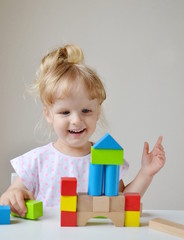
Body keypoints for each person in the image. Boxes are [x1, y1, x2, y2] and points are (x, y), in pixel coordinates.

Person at [0, 44, 166, 217]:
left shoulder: (105, 158)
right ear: (48, 115)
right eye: (65, 112)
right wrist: (12, 196)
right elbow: (11, 194)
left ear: (97, 113)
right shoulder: (37, 161)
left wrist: (146, 172)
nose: (77, 120)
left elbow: (122, 201)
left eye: (86, 111)